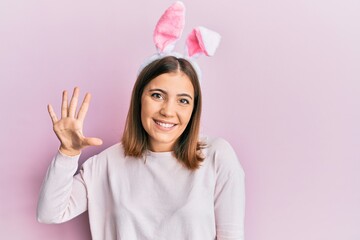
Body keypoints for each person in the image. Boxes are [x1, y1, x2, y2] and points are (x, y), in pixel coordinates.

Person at [37, 2, 245, 240]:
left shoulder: (217, 156)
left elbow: (231, 236)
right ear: (139, 98)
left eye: (183, 101)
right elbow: (49, 213)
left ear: (194, 108)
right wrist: (67, 153)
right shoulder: (105, 165)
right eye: (157, 95)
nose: (168, 111)